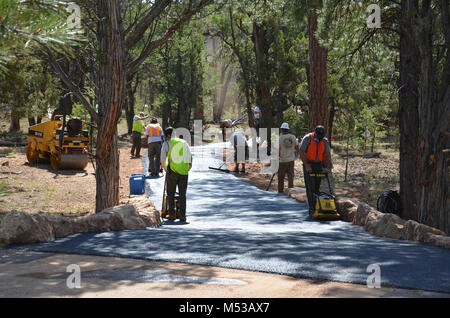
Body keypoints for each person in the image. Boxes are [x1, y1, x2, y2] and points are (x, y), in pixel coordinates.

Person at [299, 125, 332, 214]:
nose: (320, 138)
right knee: (310, 186)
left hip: (319, 164)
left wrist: (326, 167)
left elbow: (327, 154)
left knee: (317, 186)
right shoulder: (307, 138)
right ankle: (312, 208)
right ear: (315, 133)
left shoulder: (324, 141)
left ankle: (319, 205)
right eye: (319, 136)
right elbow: (301, 152)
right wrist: (306, 165)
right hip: (309, 163)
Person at [161, 127, 192, 221]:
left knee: (170, 193)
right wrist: (187, 168)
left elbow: (162, 159)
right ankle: (182, 215)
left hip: (172, 172)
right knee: (183, 194)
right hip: (184, 172)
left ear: (168, 135)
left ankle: (172, 214)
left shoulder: (167, 143)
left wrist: (166, 169)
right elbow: (189, 158)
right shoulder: (184, 143)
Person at [278, 122, 298, 193]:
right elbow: (296, 146)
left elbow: (278, 149)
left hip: (283, 160)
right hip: (291, 159)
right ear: (288, 129)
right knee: (290, 176)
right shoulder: (293, 137)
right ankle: (291, 191)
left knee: (281, 176)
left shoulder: (280, 138)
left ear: (282, 130)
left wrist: (278, 157)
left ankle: (280, 191)